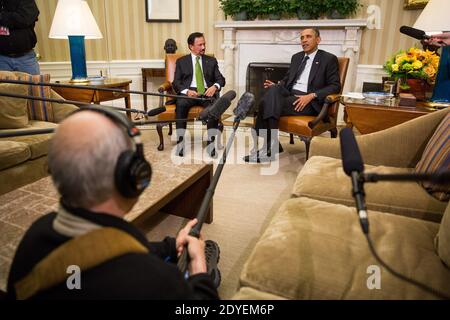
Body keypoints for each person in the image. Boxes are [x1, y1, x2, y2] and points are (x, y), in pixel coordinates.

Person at [6, 108, 220, 300]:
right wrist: (199, 270)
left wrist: (170, 246)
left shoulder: (34, 236)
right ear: (134, 175)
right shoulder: (154, 282)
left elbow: (109, 246)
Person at [244, 28, 341, 163]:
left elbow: (335, 85)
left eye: (308, 37)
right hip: (290, 95)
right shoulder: (297, 57)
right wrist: (277, 85)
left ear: (318, 40)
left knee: (266, 103)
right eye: (302, 38)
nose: (304, 40)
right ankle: (271, 146)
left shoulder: (328, 59)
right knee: (272, 92)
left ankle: (270, 147)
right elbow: (288, 80)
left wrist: (312, 95)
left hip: (308, 101)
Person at [172, 32, 226, 157]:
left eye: (204, 44)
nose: (203, 47)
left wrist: (215, 86)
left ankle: (210, 144)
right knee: (180, 104)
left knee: (213, 107)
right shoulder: (181, 61)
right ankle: (180, 143)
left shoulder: (211, 61)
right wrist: (186, 91)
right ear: (191, 46)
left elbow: (221, 79)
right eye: (200, 44)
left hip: (207, 92)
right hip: (189, 92)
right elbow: (176, 82)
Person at [0, 0, 40, 75]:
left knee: (33, 86)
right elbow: (21, 19)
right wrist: (15, 16)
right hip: (2, 59)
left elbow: (25, 19)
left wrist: (3, 17)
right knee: (3, 87)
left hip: (26, 58)